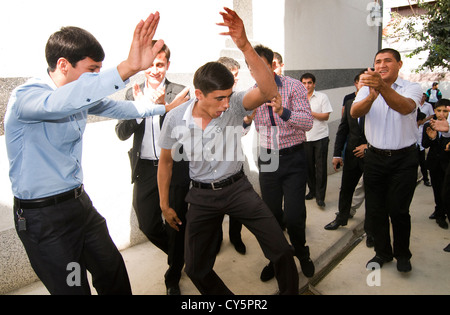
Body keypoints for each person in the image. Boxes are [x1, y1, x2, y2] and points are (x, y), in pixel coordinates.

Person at [5, 12, 168, 294]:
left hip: (80, 206)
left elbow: (119, 108)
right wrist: (126, 68)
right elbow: (57, 105)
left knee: (112, 270)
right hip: (44, 219)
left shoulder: (78, 97)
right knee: (74, 287)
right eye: (92, 70)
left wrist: (165, 108)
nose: (96, 78)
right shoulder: (27, 96)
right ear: (63, 64)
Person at [157, 8, 299, 295]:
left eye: (228, 95)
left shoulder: (235, 104)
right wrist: (164, 204)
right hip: (200, 196)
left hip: (238, 190)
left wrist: (245, 45)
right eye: (219, 98)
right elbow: (166, 163)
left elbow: (269, 89)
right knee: (196, 268)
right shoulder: (175, 118)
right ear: (199, 94)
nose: (226, 104)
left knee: (282, 251)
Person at [115, 42, 190, 295]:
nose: (155, 70)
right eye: (150, 65)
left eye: (160, 65)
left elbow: (188, 135)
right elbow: (121, 133)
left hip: (175, 168)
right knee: (147, 223)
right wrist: (141, 110)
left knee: (175, 222)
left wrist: (163, 111)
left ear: (168, 65)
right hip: (145, 168)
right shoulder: (131, 93)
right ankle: (180, 255)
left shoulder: (180, 92)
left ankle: (173, 275)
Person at [244, 45, 314, 282]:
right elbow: (241, 131)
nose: (256, 72)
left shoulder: (293, 86)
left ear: (272, 65)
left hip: (293, 155)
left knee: (294, 216)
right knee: (271, 216)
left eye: (261, 65)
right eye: (252, 67)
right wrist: (246, 120)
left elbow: (307, 122)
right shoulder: (251, 94)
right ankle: (276, 259)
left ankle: (302, 252)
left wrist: (284, 111)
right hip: (268, 157)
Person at [351, 48, 423, 273]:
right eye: (378, 61)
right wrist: (371, 96)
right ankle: (383, 253)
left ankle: (403, 254)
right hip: (374, 158)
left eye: (388, 61)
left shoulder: (412, 87)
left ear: (399, 64)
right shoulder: (367, 89)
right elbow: (354, 112)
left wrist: (381, 88)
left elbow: (405, 108)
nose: (382, 65)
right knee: (375, 210)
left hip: (404, 159)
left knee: (399, 210)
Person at [324, 77, 372, 243]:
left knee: (372, 192)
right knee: (346, 189)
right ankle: (341, 218)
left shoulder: (378, 104)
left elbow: (385, 132)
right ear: (356, 84)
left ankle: (371, 229)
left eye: (367, 84)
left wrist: (369, 146)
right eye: (361, 83)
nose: (363, 86)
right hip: (351, 155)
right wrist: (337, 154)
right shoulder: (350, 103)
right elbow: (342, 130)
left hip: (372, 156)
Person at [216, 56, 246, 255]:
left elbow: (242, 131)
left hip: (235, 161)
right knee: (215, 207)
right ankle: (216, 240)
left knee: (238, 205)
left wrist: (247, 122)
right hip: (213, 163)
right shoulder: (208, 98)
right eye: (233, 76)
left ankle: (236, 237)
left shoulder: (237, 100)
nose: (236, 80)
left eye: (237, 76)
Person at [301, 73, 333, 208]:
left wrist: (310, 112)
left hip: (320, 138)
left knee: (320, 169)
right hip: (305, 138)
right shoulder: (299, 98)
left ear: (314, 84)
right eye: (304, 83)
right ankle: (312, 191)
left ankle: (320, 197)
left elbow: (326, 116)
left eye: (309, 83)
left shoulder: (322, 97)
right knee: (308, 168)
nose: (307, 86)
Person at [422, 99, 450, 230]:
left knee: (446, 192)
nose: (442, 114)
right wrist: (432, 138)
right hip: (434, 164)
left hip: (447, 165)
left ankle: (443, 213)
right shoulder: (429, 125)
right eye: (439, 111)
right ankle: (439, 213)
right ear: (434, 111)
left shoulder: (448, 126)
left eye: (445, 111)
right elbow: (424, 144)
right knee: (437, 190)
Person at [417, 93, 435, 187]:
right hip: (412, 144)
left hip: (423, 129)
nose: (422, 97)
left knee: (422, 162)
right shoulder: (415, 103)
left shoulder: (428, 105)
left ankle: (425, 179)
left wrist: (424, 121)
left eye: (424, 96)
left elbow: (432, 114)